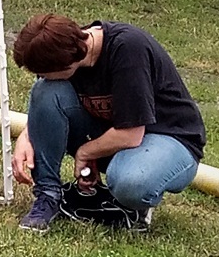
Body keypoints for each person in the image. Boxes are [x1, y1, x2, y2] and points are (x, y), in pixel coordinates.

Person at [12, 14, 206, 232]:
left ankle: (133, 207)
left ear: (66, 63)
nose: (41, 76)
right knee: (45, 91)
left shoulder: (128, 49)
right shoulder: (67, 47)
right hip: (116, 134)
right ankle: (48, 196)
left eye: (43, 72)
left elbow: (130, 134)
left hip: (171, 138)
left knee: (132, 183)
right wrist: (27, 136)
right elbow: (46, 105)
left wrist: (86, 153)